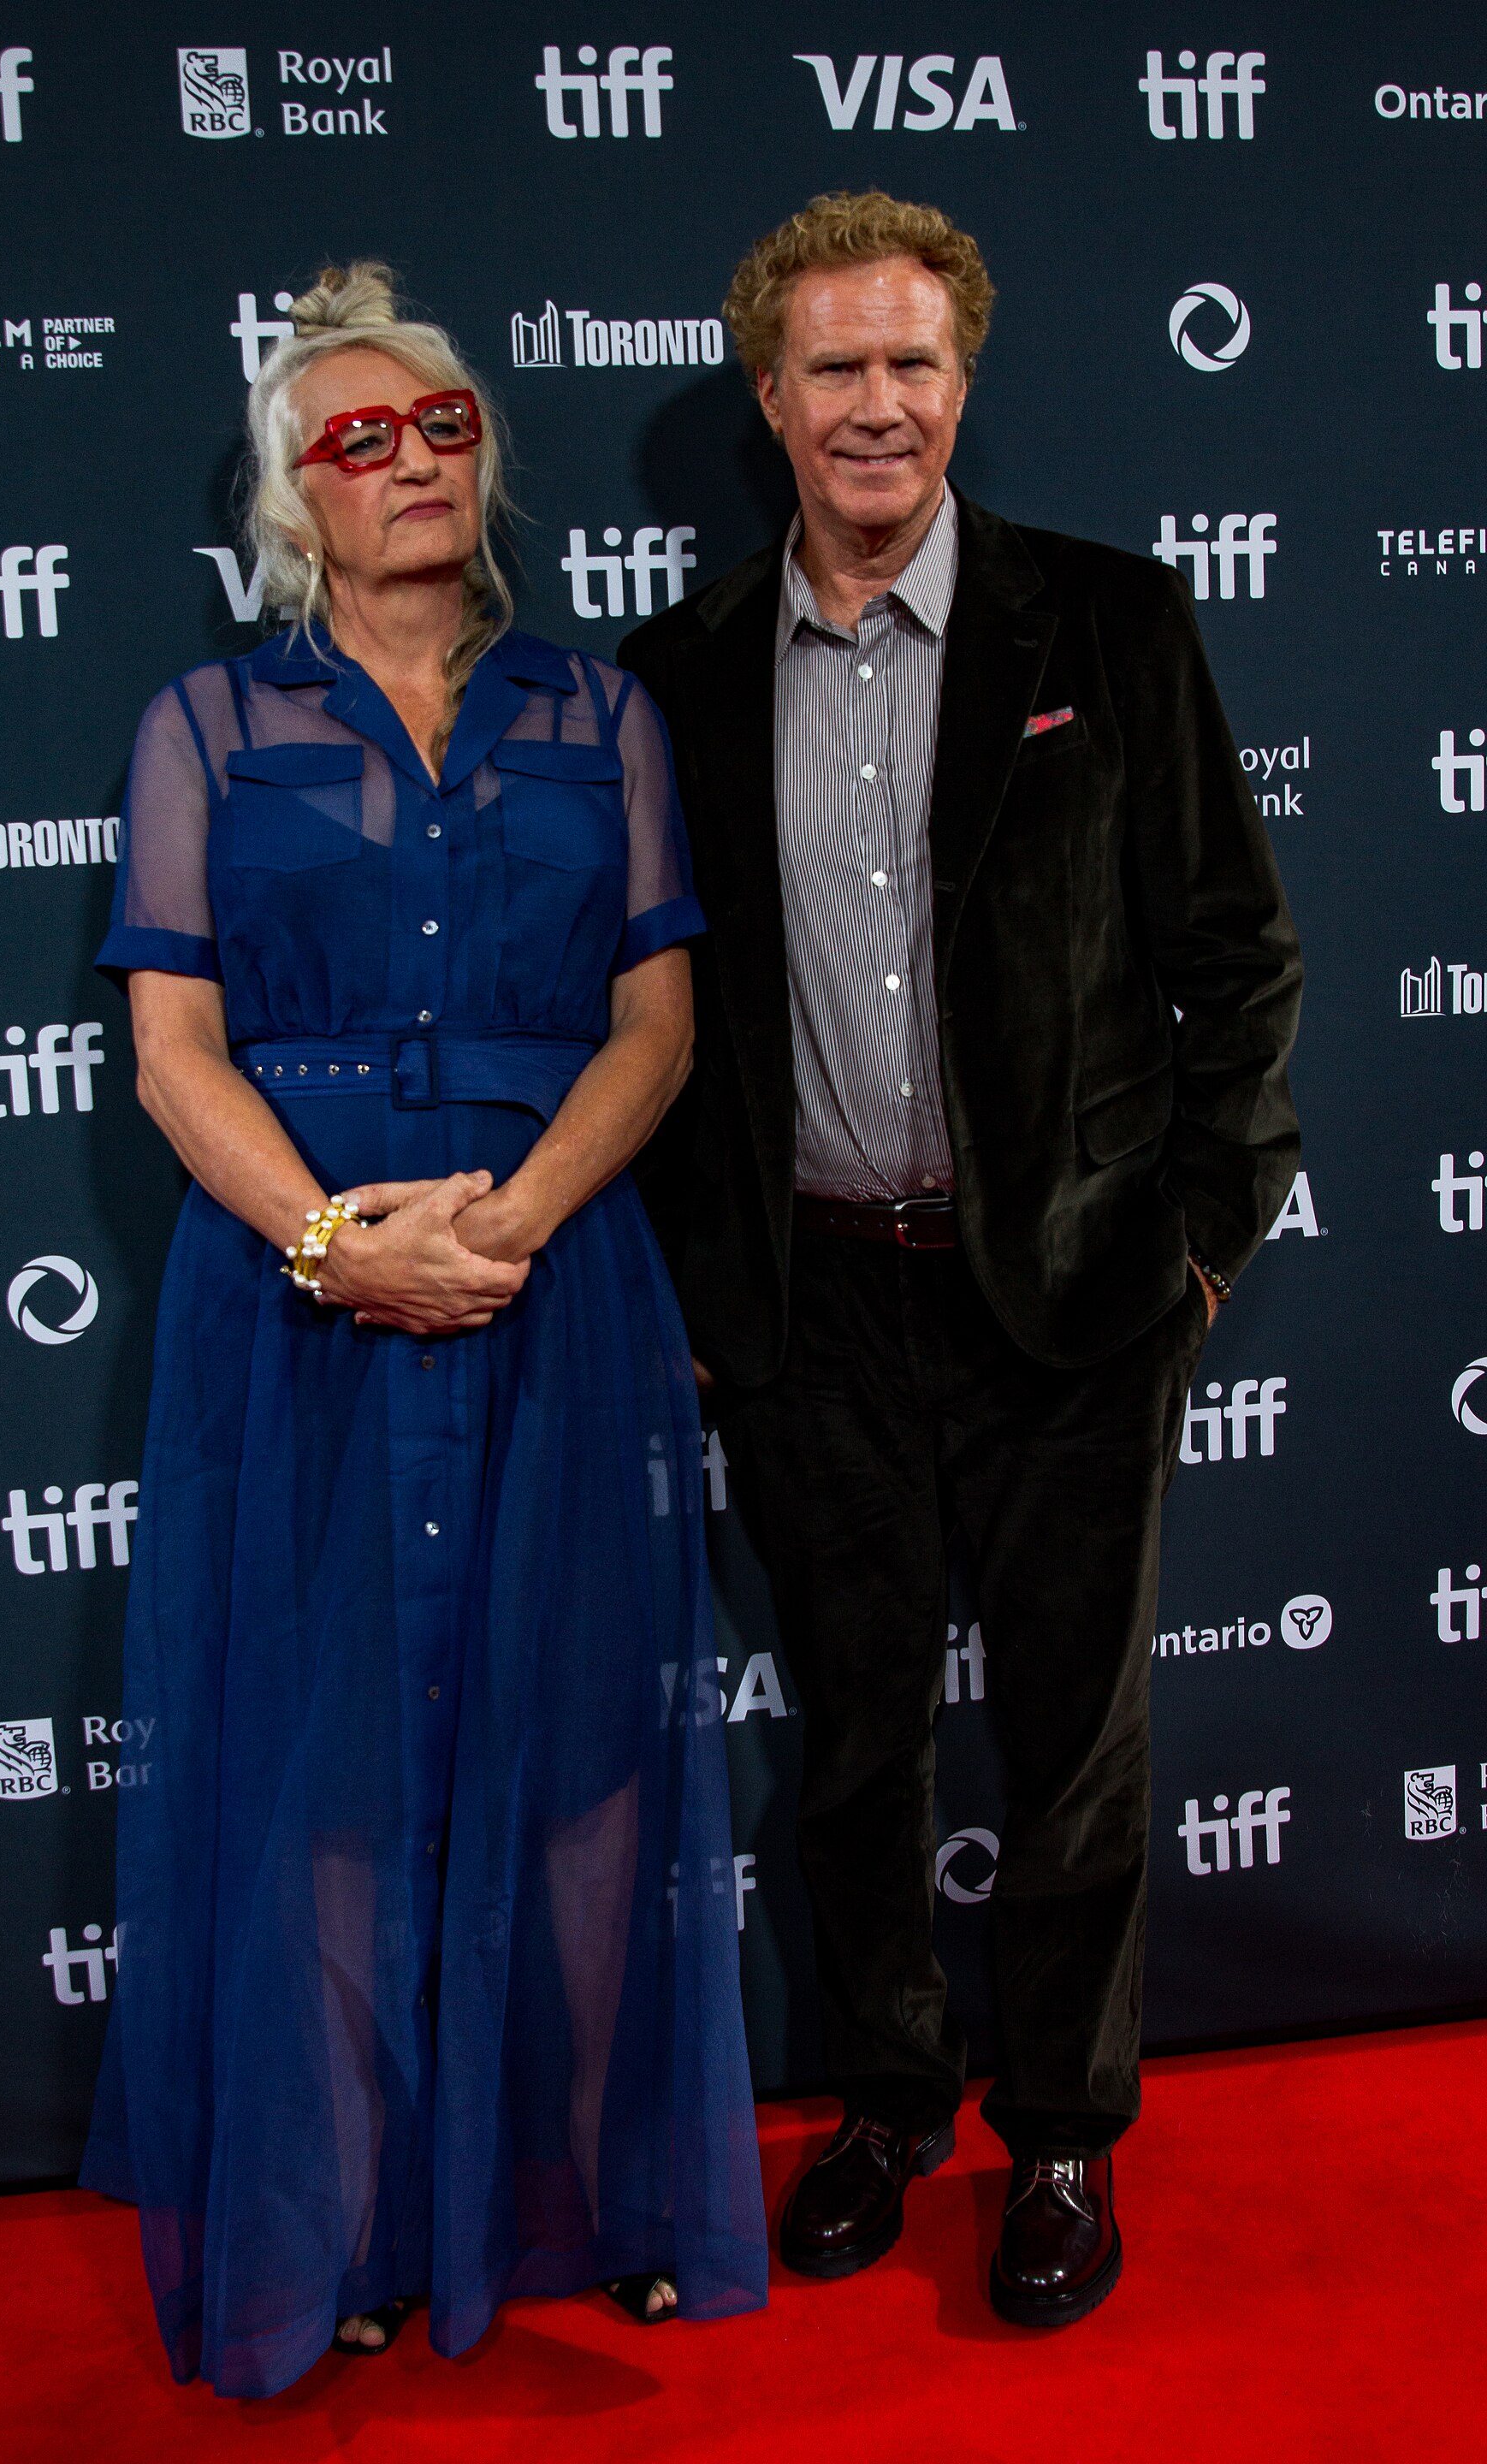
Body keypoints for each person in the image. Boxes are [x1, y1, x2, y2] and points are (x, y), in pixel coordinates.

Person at [79, 261, 766, 2397]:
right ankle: (351, 2225)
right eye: (356, 437)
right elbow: (175, 1052)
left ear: (486, 456)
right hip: (300, 1311)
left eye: (441, 425)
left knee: (579, 1763)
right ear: (292, 494)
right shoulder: (204, 728)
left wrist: (521, 1220)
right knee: (332, 1778)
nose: (408, 462)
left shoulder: (603, 716)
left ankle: (589, 2197)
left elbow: (657, 1024)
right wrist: (331, 1246)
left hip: (560, 1288)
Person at [619, 192, 1301, 2327]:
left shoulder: (1104, 628)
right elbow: (656, 1021)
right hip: (818, 1315)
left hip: (1083, 1300)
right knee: (856, 1744)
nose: (878, 404)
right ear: (771, 397)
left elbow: (1237, 963)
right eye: (836, 366)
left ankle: (1069, 2143)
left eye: (914, 363)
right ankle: (897, 2101)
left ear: (962, 383)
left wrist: (1192, 1251)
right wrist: (718, 1304)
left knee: (1081, 1754)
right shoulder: (684, 674)